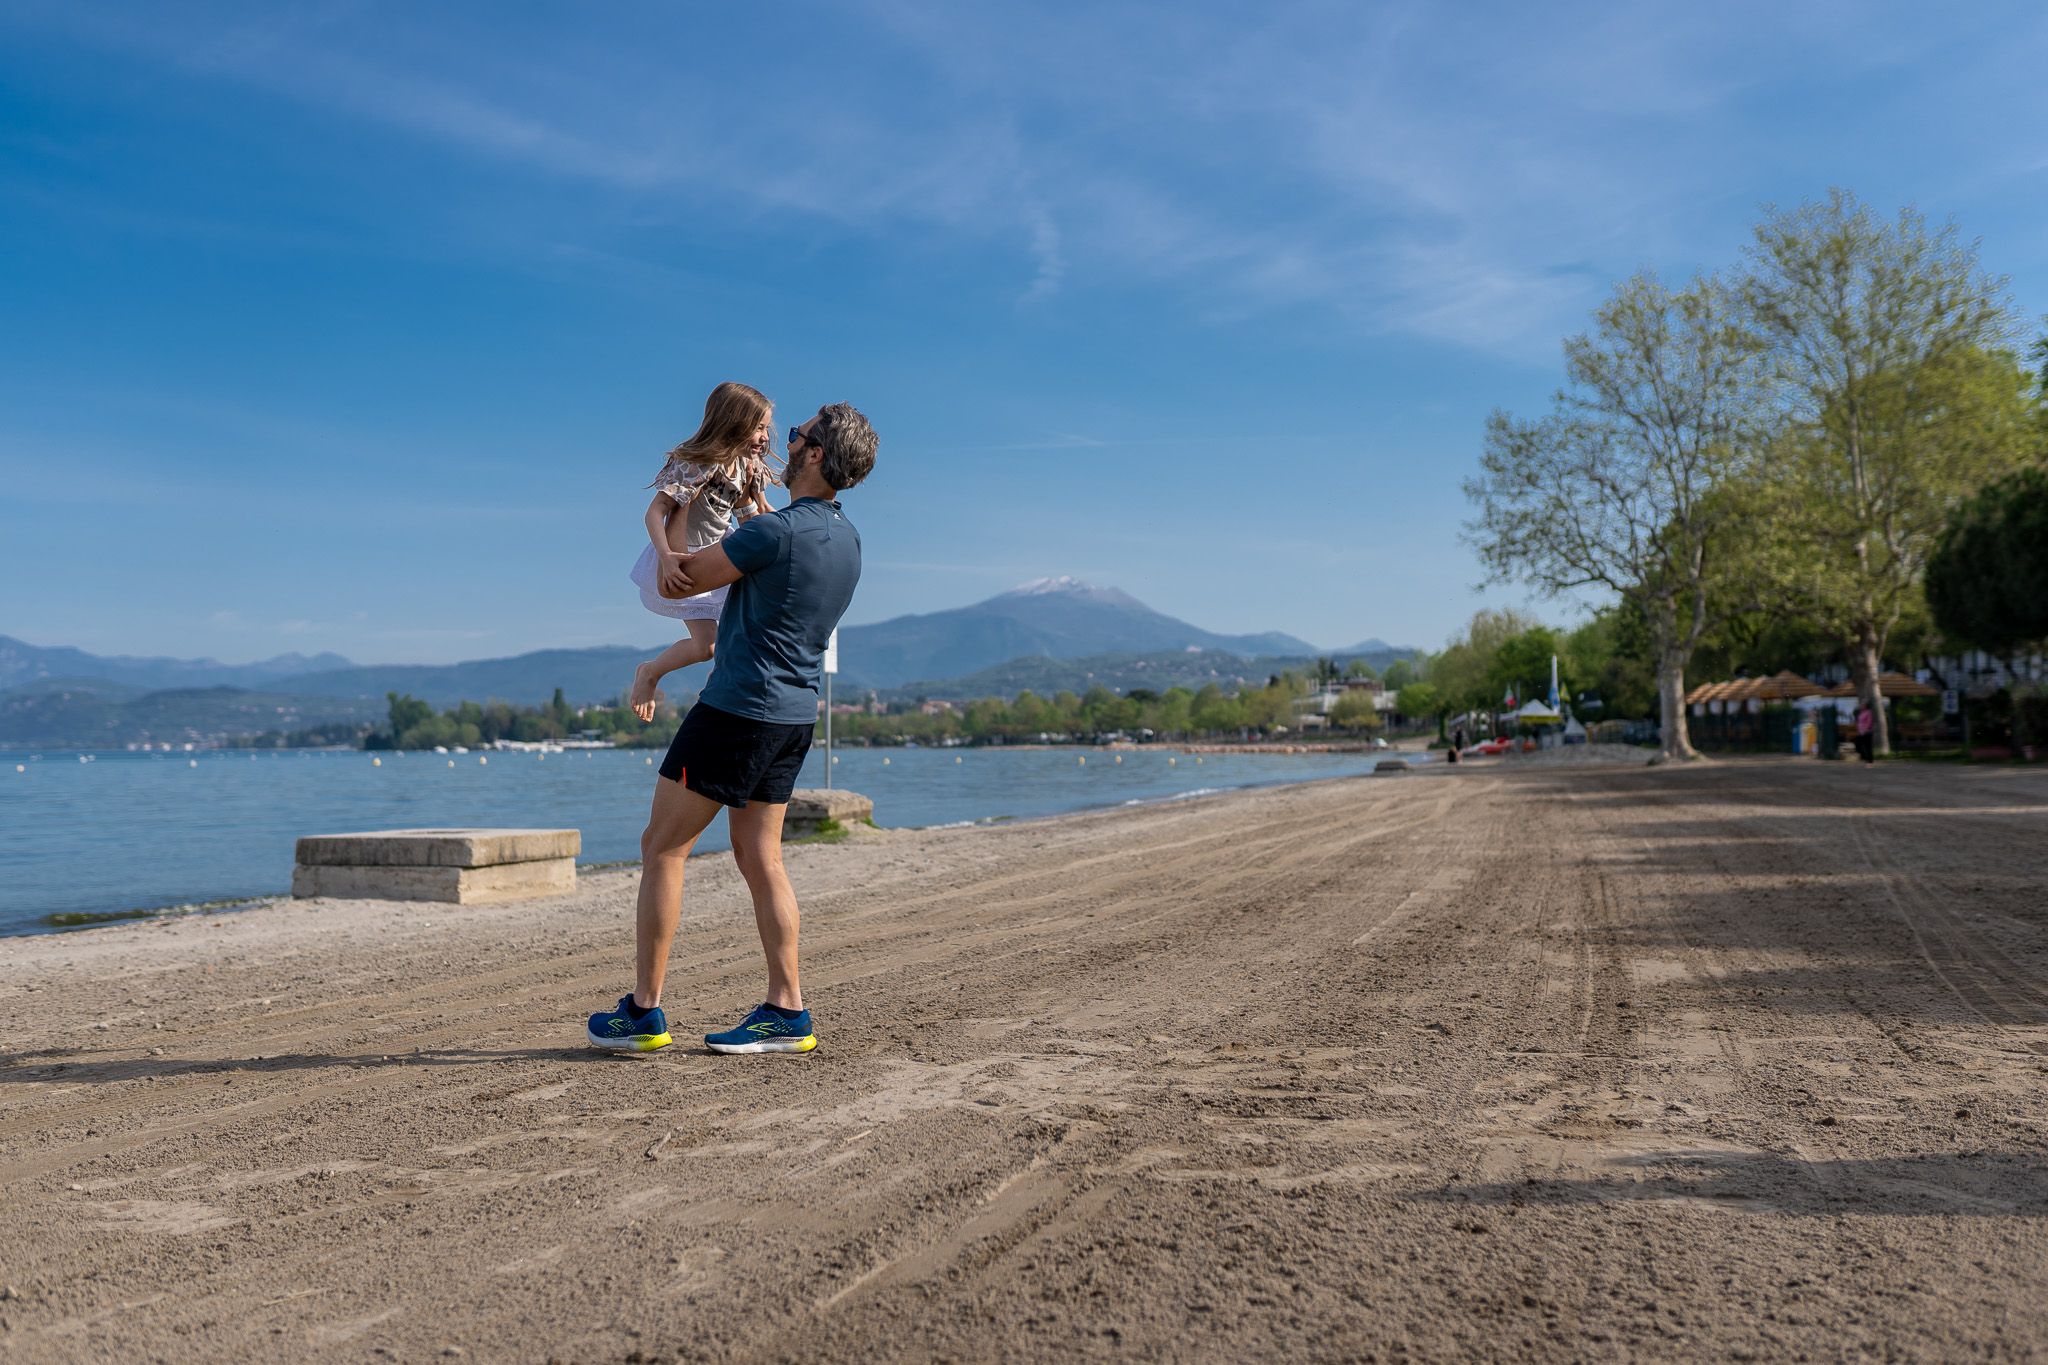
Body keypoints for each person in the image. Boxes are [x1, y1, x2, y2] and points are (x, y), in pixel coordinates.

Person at [588, 403, 878, 1056]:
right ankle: (787, 1008)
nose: (787, 441)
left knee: (662, 846)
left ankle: (643, 1011)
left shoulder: (771, 535)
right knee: (760, 856)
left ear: (813, 457)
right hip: (795, 716)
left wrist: (669, 534)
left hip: (737, 710)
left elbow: (686, 576)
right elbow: (774, 559)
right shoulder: (846, 540)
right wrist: (748, 507)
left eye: (797, 435)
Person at [626, 382, 779, 723]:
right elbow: (654, 512)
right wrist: (665, 555)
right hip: (684, 557)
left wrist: (765, 525)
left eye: (766, 427)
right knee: (709, 645)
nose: (764, 436)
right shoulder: (696, 464)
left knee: (726, 640)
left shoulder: (745, 466)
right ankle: (649, 673)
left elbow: (744, 514)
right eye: (758, 427)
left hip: (719, 553)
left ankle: (730, 701)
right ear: (734, 422)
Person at [1853, 700, 1876, 765]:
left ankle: (1870, 761)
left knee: (1868, 746)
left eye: (1862, 705)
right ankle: (1865, 757)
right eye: (1861, 705)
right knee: (1858, 743)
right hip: (1861, 731)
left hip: (1867, 732)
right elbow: (1859, 721)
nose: (1861, 706)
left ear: (1866, 706)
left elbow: (1869, 722)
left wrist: (1865, 730)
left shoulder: (1869, 712)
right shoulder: (1861, 712)